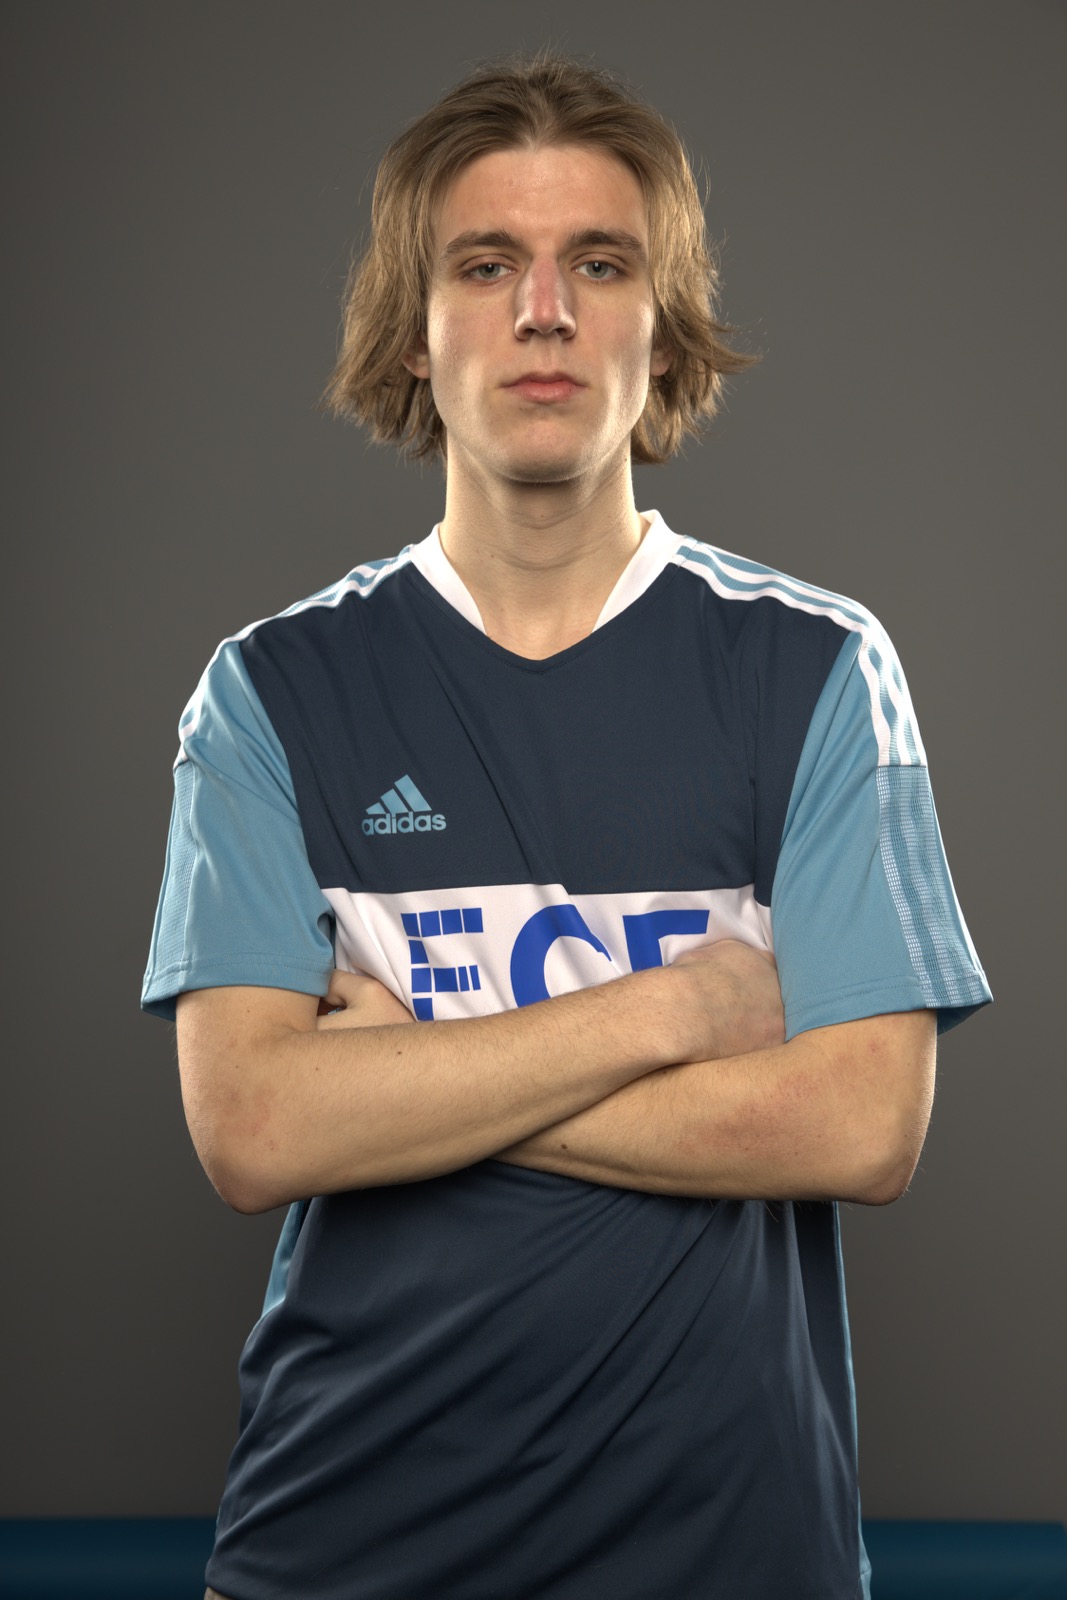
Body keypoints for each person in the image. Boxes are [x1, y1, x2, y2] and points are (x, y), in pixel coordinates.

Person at [142, 51, 990, 1600]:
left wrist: (405, 1077)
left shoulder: (816, 668)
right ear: (416, 327)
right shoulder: (272, 692)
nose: (545, 311)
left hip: (735, 1551)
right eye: (487, 264)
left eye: (600, 263)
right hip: (347, 1544)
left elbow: (863, 1130)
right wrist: (676, 1013)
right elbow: (254, 1133)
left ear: (662, 326)